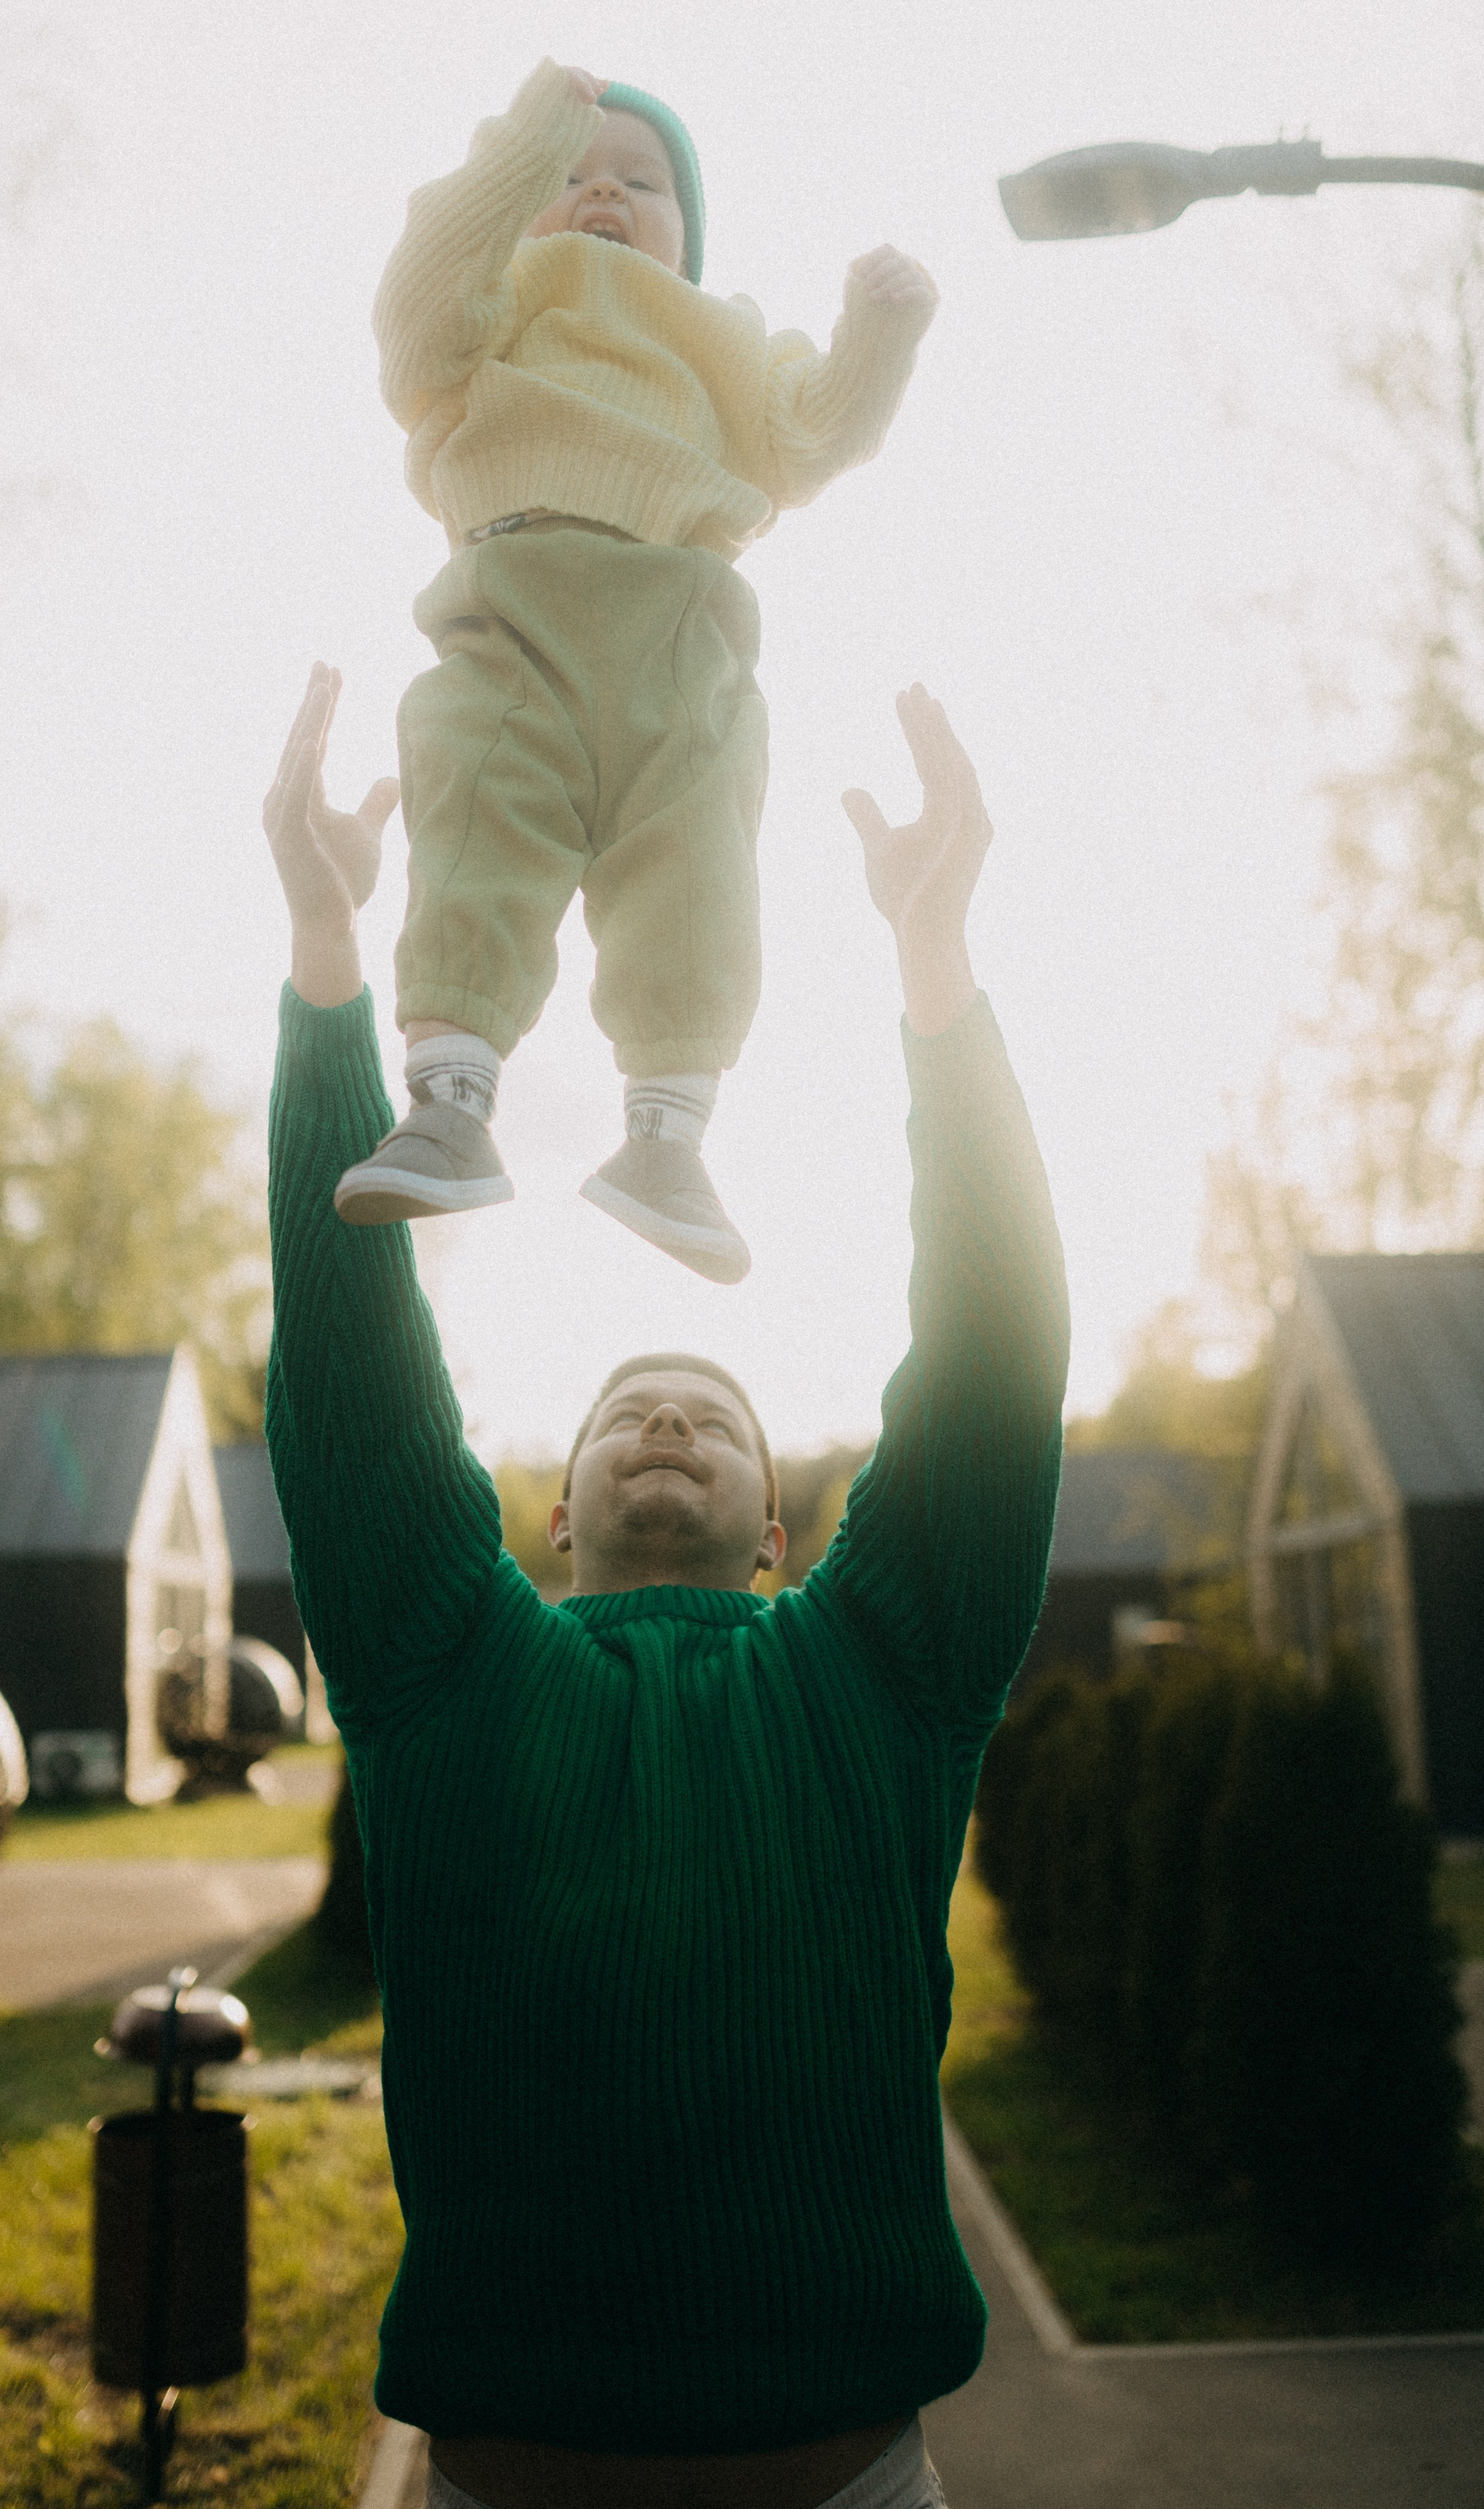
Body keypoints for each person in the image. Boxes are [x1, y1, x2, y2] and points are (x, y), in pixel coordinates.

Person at [263, 663, 1068, 2509]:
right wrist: (329, 969)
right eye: (630, 1409)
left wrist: (939, 980)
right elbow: (349, 1365)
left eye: (712, 1413)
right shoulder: (448, 1662)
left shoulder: (879, 1669)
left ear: (780, 1533)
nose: (667, 1423)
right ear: (552, 1523)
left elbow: (998, 1355)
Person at [334, 61, 939, 1285]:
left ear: (687, 239)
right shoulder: (501, 301)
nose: (602, 189)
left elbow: (818, 430)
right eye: (572, 174)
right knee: (475, 829)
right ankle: (451, 1104)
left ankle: (668, 1139)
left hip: (685, 637)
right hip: (515, 613)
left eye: (642, 182)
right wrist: (524, 142)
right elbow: (416, 297)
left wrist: (882, 332)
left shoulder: (724, 343)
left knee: (700, 870)